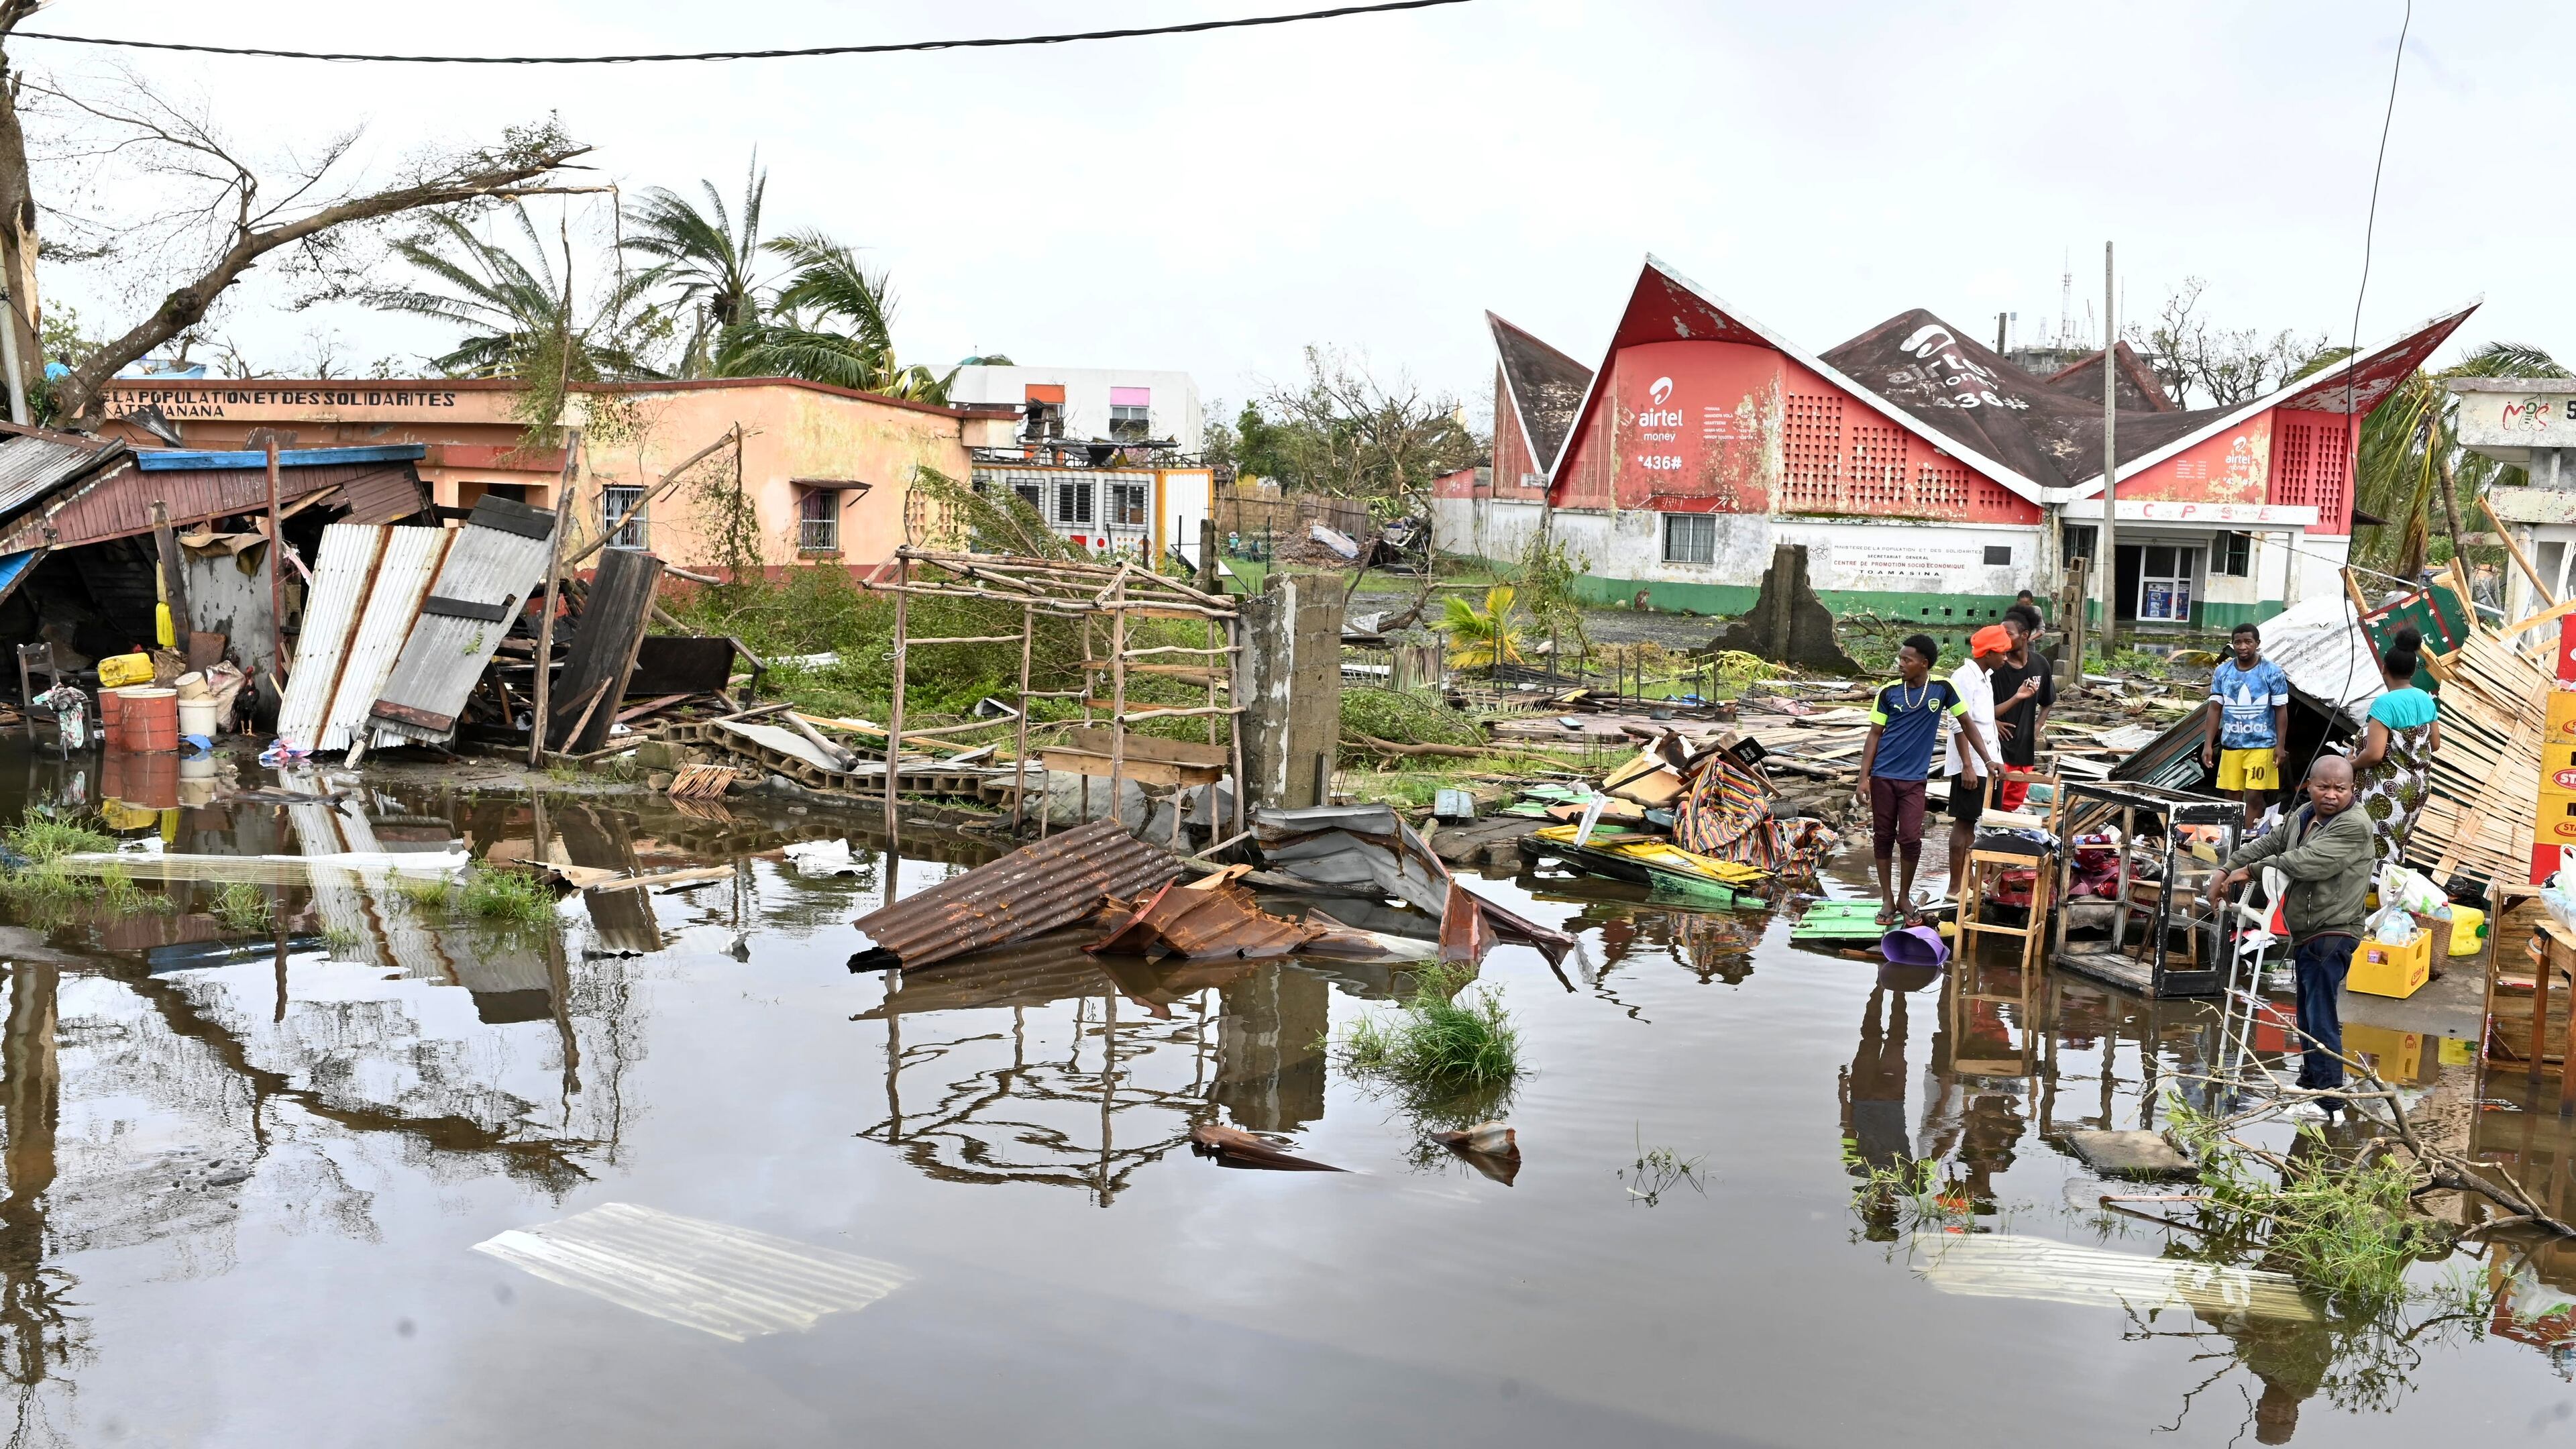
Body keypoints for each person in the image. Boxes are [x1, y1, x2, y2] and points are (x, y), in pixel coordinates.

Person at [2204, 756, 2373, 1119]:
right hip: (2308, 928)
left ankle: (2330, 1101)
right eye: (2323, 787)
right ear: (2309, 786)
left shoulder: (2354, 825)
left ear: (2351, 789)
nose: (2331, 795)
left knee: (2320, 1014)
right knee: (2306, 1013)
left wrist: (2248, 872)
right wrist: (2226, 867)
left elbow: (2309, 862)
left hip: (2335, 928)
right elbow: (2269, 843)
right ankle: (2311, 1083)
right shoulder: (2303, 815)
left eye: (2340, 789)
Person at [1854, 634, 1990, 926]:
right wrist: (1863, 777)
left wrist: (1987, 761)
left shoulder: (1942, 689)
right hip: (1883, 776)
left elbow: (1966, 724)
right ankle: (1887, 899)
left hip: (1914, 780)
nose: (1900, 664)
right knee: (1883, 837)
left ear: (1924, 664)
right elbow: (1874, 735)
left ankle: (1904, 896)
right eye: (1900, 659)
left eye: (1907, 660)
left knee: (1911, 838)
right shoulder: (1888, 692)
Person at [1943, 625, 2035, 890]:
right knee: (1964, 823)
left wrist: (2018, 697)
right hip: (1972, 763)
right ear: (1989, 653)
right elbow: (1958, 723)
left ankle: (1969, 881)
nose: (2006, 658)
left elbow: (1986, 715)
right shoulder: (1963, 677)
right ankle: (1954, 887)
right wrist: (1969, 766)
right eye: (2003, 653)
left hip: (1988, 762)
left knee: (1975, 824)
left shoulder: (1986, 677)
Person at [2349, 625, 2438, 867]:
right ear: (2412, 671)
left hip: (2388, 789)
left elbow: (2375, 754)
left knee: (2377, 848)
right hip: (2417, 788)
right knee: (2396, 844)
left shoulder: (2385, 704)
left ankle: (2377, 899)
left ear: (2384, 668)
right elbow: (2435, 744)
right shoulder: (2425, 699)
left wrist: (2351, 764)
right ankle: (2391, 895)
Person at [2201, 623, 2290, 828]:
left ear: (2257, 644)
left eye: (2248, 642)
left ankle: (2248, 835)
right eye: (2238, 642)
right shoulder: (2222, 672)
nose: (2242, 647)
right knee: (2231, 795)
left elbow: (2281, 711)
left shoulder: (2271, 672)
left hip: (2262, 746)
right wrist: (2208, 745)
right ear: (2232, 644)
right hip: (2231, 746)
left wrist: (2280, 746)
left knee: (2253, 796)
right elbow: (2214, 710)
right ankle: (2231, 835)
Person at [1988, 605, 2055, 810]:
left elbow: (2048, 699)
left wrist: (2039, 725)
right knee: (1993, 805)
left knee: (2012, 806)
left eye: (2008, 634)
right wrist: (1994, 722)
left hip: (2025, 750)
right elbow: (1978, 706)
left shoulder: (2040, 664)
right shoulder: (1996, 667)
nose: (2003, 638)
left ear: (2025, 635)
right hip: (2000, 749)